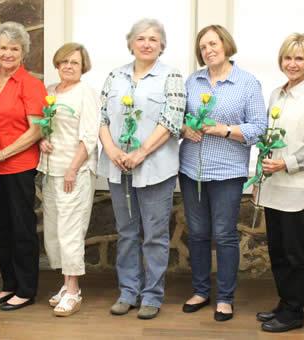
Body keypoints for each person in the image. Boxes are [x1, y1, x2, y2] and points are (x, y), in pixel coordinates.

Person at [98, 18, 186, 320]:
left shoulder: (171, 76)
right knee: (126, 233)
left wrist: (141, 153)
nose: (147, 43)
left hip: (155, 168)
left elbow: (172, 121)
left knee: (155, 236)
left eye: (153, 39)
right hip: (117, 166)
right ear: (131, 43)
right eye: (141, 38)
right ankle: (128, 292)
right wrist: (112, 151)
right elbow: (100, 117)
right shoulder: (115, 75)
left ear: (161, 45)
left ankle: (152, 295)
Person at [179, 25, 267, 321]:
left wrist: (224, 130)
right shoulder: (193, 81)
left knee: (225, 236)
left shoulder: (247, 83)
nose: (208, 50)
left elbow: (258, 128)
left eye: (213, 44)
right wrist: (184, 128)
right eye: (203, 46)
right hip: (192, 170)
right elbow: (175, 119)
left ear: (226, 45)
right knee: (198, 234)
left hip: (228, 173)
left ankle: (225, 298)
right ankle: (201, 291)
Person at [255, 33, 304, 333]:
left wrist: (286, 163)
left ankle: (294, 313)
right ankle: (285, 303)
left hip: (298, 191)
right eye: (288, 57)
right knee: (277, 250)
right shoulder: (276, 94)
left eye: (299, 58)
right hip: (274, 188)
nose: (292, 64)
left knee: (294, 254)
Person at [0, 21, 47, 311]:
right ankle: (8, 285)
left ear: (23, 52)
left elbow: (36, 130)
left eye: (14, 48)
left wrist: (4, 152)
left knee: (21, 228)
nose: (8, 53)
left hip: (18, 165)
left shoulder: (31, 84)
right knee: (0, 230)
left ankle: (26, 289)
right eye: (3, 47)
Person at [38, 43, 100, 317]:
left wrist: (73, 169)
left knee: (70, 231)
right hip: (50, 171)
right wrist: (41, 140)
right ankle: (65, 284)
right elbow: (40, 125)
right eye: (64, 61)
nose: (68, 66)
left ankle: (73, 290)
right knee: (53, 230)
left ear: (82, 66)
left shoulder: (86, 94)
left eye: (74, 62)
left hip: (73, 173)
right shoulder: (50, 91)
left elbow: (88, 136)